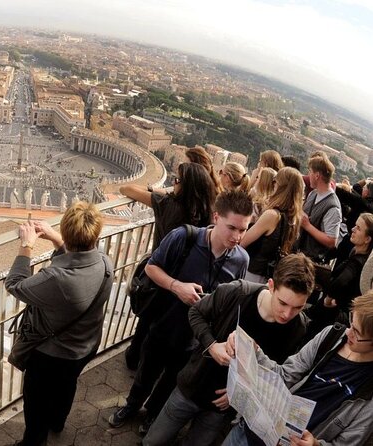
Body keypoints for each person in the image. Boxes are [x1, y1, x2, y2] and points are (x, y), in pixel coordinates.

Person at [109, 190, 253, 433]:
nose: (237, 237)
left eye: (243, 230)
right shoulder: (184, 237)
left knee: (171, 380)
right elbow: (152, 268)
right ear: (216, 217)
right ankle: (132, 406)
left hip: (196, 339)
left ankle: (152, 414)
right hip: (164, 324)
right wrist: (177, 287)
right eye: (232, 228)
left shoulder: (241, 260)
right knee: (146, 372)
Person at [142, 254, 313, 446]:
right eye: (283, 303)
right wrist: (212, 345)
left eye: (297, 307)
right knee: (153, 441)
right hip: (192, 386)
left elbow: (274, 375)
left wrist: (240, 395)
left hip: (222, 408)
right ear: (271, 285)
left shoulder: (299, 328)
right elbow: (196, 312)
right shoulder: (237, 293)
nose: (287, 314)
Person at [5, 202, 113, 446]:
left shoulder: (58, 279)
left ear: (66, 232)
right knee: (67, 387)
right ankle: (58, 422)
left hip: (52, 357)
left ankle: (34, 442)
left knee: (36, 406)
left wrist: (27, 245)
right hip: (87, 345)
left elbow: (15, 284)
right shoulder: (105, 263)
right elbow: (79, 257)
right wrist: (57, 239)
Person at [222, 294, 373, 446]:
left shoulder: (369, 391)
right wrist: (252, 350)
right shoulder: (331, 336)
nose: (348, 333)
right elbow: (285, 375)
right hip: (249, 432)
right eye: (351, 323)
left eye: (357, 333)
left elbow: (349, 442)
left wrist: (316, 445)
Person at [121, 162, 217, 369]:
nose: (173, 182)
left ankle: (134, 359)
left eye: (177, 180)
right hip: (186, 280)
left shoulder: (166, 204)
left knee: (146, 320)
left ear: (186, 185)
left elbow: (126, 189)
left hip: (160, 273)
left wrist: (157, 190)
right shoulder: (209, 214)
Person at [305, 214, 373, 339]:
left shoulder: (357, 262)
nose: (353, 229)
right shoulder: (356, 253)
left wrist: (328, 299)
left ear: (367, 239)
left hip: (333, 315)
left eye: (358, 228)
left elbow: (341, 282)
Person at [242, 167, 304, 283]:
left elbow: (242, 242)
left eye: (275, 181)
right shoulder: (295, 218)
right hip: (271, 277)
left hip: (252, 272)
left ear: (280, 186)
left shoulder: (272, 215)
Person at [296, 155, 343, 264]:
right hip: (299, 255)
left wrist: (307, 226)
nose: (308, 175)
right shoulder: (313, 193)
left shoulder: (333, 207)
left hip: (312, 261)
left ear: (317, 175)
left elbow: (332, 241)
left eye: (310, 172)